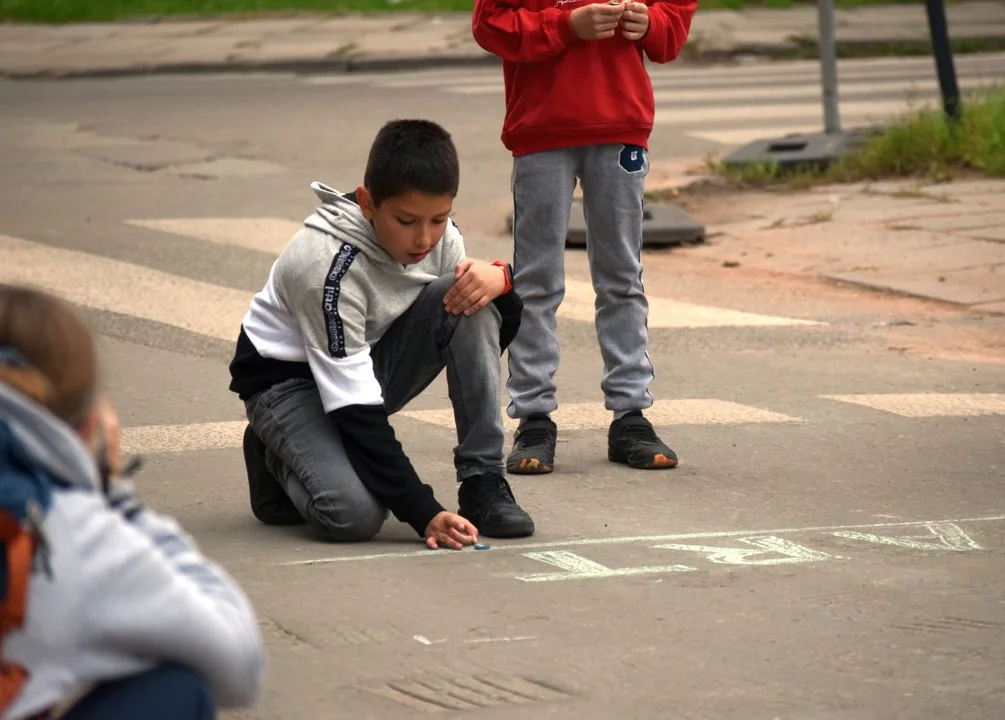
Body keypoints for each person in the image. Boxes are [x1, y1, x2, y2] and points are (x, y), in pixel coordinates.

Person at [228, 118, 535, 548]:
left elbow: (484, 339)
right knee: (353, 516)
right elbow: (356, 411)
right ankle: (272, 450)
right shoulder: (325, 267)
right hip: (286, 386)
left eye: (440, 218)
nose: (424, 238)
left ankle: (482, 480)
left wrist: (502, 282)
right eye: (407, 220)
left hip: (362, 368)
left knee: (470, 299)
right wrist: (423, 512)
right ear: (368, 203)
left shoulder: (442, 239)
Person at [0, 284, 266, 720]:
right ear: (86, 420)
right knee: (178, 689)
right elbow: (239, 665)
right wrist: (112, 494)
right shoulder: (63, 524)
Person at [472, 0, 697, 475]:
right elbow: (491, 25)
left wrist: (652, 23)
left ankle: (630, 415)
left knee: (621, 277)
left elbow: (673, 24)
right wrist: (565, 25)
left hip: (621, 126)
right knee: (536, 281)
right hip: (541, 132)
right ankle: (534, 418)